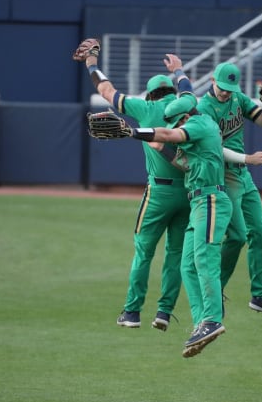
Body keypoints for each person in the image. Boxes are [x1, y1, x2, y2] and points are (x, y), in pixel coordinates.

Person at [75, 41, 190, 331]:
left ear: (151, 93)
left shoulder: (145, 107)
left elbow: (105, 90)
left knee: (144, 252)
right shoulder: (189, 108)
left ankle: (132, 313)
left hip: (159, 192)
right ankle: (164, 312)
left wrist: (91, 63)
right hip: (189, 191)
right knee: (175, 255)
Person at [129, 95, 232, 358]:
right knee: (187, 264)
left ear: (186, 117)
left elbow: (167, 134)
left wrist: (131, 131)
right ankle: (202, 323)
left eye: (178, 122)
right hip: (197, 201)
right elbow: (182, 163)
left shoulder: (199, 124)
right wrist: (156, 145)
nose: (176, 126)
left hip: (210, 199)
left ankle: (212, 319)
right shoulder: (197, 129)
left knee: (204, 259)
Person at [197, 62, 262, 320]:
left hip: (243, 177)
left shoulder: (237, 97)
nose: (226, 93)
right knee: (237, 236)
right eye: (222, 87)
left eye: (230, 88)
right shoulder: (204, 108)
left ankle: (260, 294)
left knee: (258, 231)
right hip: (224, 175)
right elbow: (214, 147)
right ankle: (216, 291)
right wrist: (247, 158)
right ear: (213, 80)